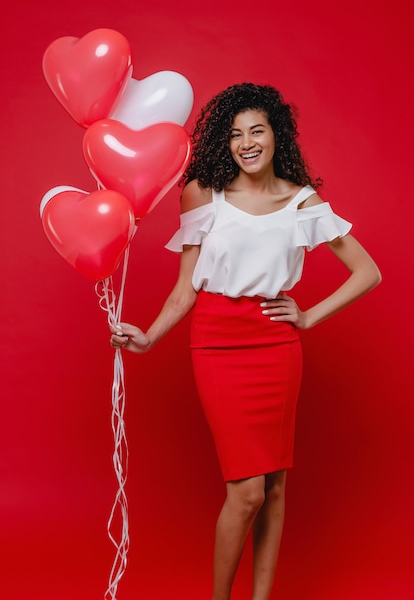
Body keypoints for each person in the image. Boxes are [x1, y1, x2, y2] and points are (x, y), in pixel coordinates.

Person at [109, 83, 381, 600]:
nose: (247, 143)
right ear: (224, 143)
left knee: (275, 487)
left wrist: (308, 316)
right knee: (247, 491)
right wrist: (149, 338)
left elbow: (367, 272)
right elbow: (186, 287)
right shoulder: (201, 194)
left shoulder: (302, 201)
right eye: (235, 135)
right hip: (216, 343)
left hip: (276, 347)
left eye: (257, 130)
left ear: (277, 135)